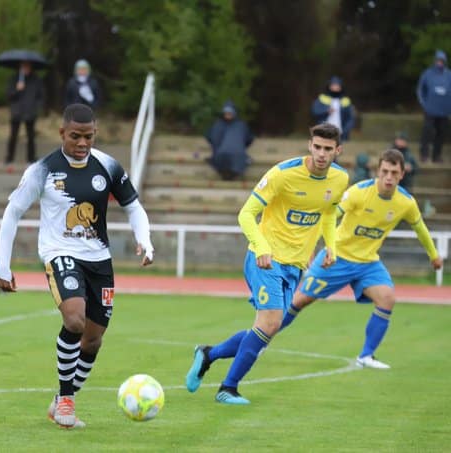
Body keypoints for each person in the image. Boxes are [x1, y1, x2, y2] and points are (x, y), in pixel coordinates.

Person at [0, 103, 154, 428]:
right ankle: (67, 401)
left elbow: (134, 207)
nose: (82, 143)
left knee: (93, 340)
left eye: (89, 136)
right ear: (61, 134)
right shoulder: (42, 170)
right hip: (59, 253)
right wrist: (2, 266)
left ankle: (60, 399)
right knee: (75, 319)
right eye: (76, 137)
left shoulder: (108, 166)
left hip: (99, 260)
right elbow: (12, 213)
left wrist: (145, 240)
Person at [185, 123, 349, 405]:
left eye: (328, 149)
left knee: (265, 329)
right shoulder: (282, 174)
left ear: (338, 151)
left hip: (295, 266)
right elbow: (246, 214)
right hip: (265, 260)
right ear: (310, 145)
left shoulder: (339, 179)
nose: (322, 154)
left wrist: (330, 246)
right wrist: (261, 247)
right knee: (270, 323)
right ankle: (228, 388)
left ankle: (207, 355)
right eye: (318, 147)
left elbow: (328, 213)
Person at [280, 149, 442, 369]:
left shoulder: (406, 202)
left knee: (387, 298)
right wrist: (313, 247)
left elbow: (420, 227)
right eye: (385, 171)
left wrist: (433, 255)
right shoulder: (358, 192)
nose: (389, 177)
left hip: (368, 263)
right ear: (377, 171)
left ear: (402, 174)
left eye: (394, 172)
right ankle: (261, 340)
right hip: (336, 258)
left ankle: (366, 356)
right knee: (299, 301)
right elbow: (330, 217)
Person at [5, 61, 45, 164]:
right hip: (17, 111)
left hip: (30, 111)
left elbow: (40, 96)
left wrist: (36, 108)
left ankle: (31, 158)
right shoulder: (14, 79)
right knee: (13, 135)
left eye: (27, 67)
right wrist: (17, 89)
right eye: (23, 67)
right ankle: (9, 157)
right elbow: (9, 96)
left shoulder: (36, 80)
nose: (25, 69)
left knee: (31, 136)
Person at [205, 100, 254, 180]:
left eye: (229, 113)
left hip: (228, 157)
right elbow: (249, 139)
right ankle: (229, 174)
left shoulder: (240, 125)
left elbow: (210, 139)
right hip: (228, 157)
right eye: (226, 113)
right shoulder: (220, 125)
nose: (228, 115)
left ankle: (229, 174)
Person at [416, 50, 451, 163]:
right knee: (427, 132)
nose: (439, 63)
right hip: (430, 110)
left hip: (444, 111)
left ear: (445, 62)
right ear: (435, 61)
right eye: (438, 60)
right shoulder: (427, 73)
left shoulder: (449, 75)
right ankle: (424, 154)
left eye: (442, 61)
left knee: (441, 134)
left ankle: (437, 156)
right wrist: (424, 104)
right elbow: (420, 90)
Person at [312, 76, 356, 142]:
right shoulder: (322, 98)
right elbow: (315, 111)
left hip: (341, 132)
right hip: (324, 130)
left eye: (337, 85)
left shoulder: (346, 100)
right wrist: (326, 111)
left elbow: (350, 118)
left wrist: (346, 130)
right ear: (329, 86)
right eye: (333, 85)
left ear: (341, 87)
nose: (335, 87)